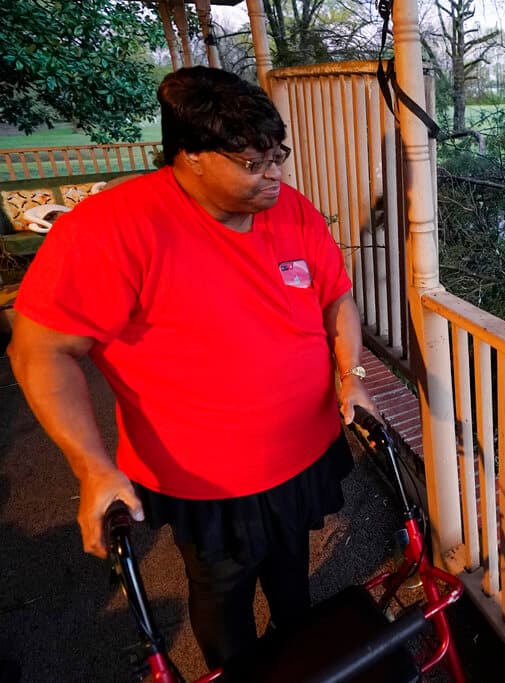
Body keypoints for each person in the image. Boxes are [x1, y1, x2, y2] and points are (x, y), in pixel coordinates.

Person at [7, 66, 375, 668]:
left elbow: (336, 296)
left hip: (304, 448)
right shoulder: (112, 228)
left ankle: (303, 653)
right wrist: (92, 468)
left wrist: (352, 374)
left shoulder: (294, 212)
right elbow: (41, 350)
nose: (275, 174)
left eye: (277, 155)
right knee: (224, 588)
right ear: (190, 157)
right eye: (252, 164)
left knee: (290, 562)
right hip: (207, 477)